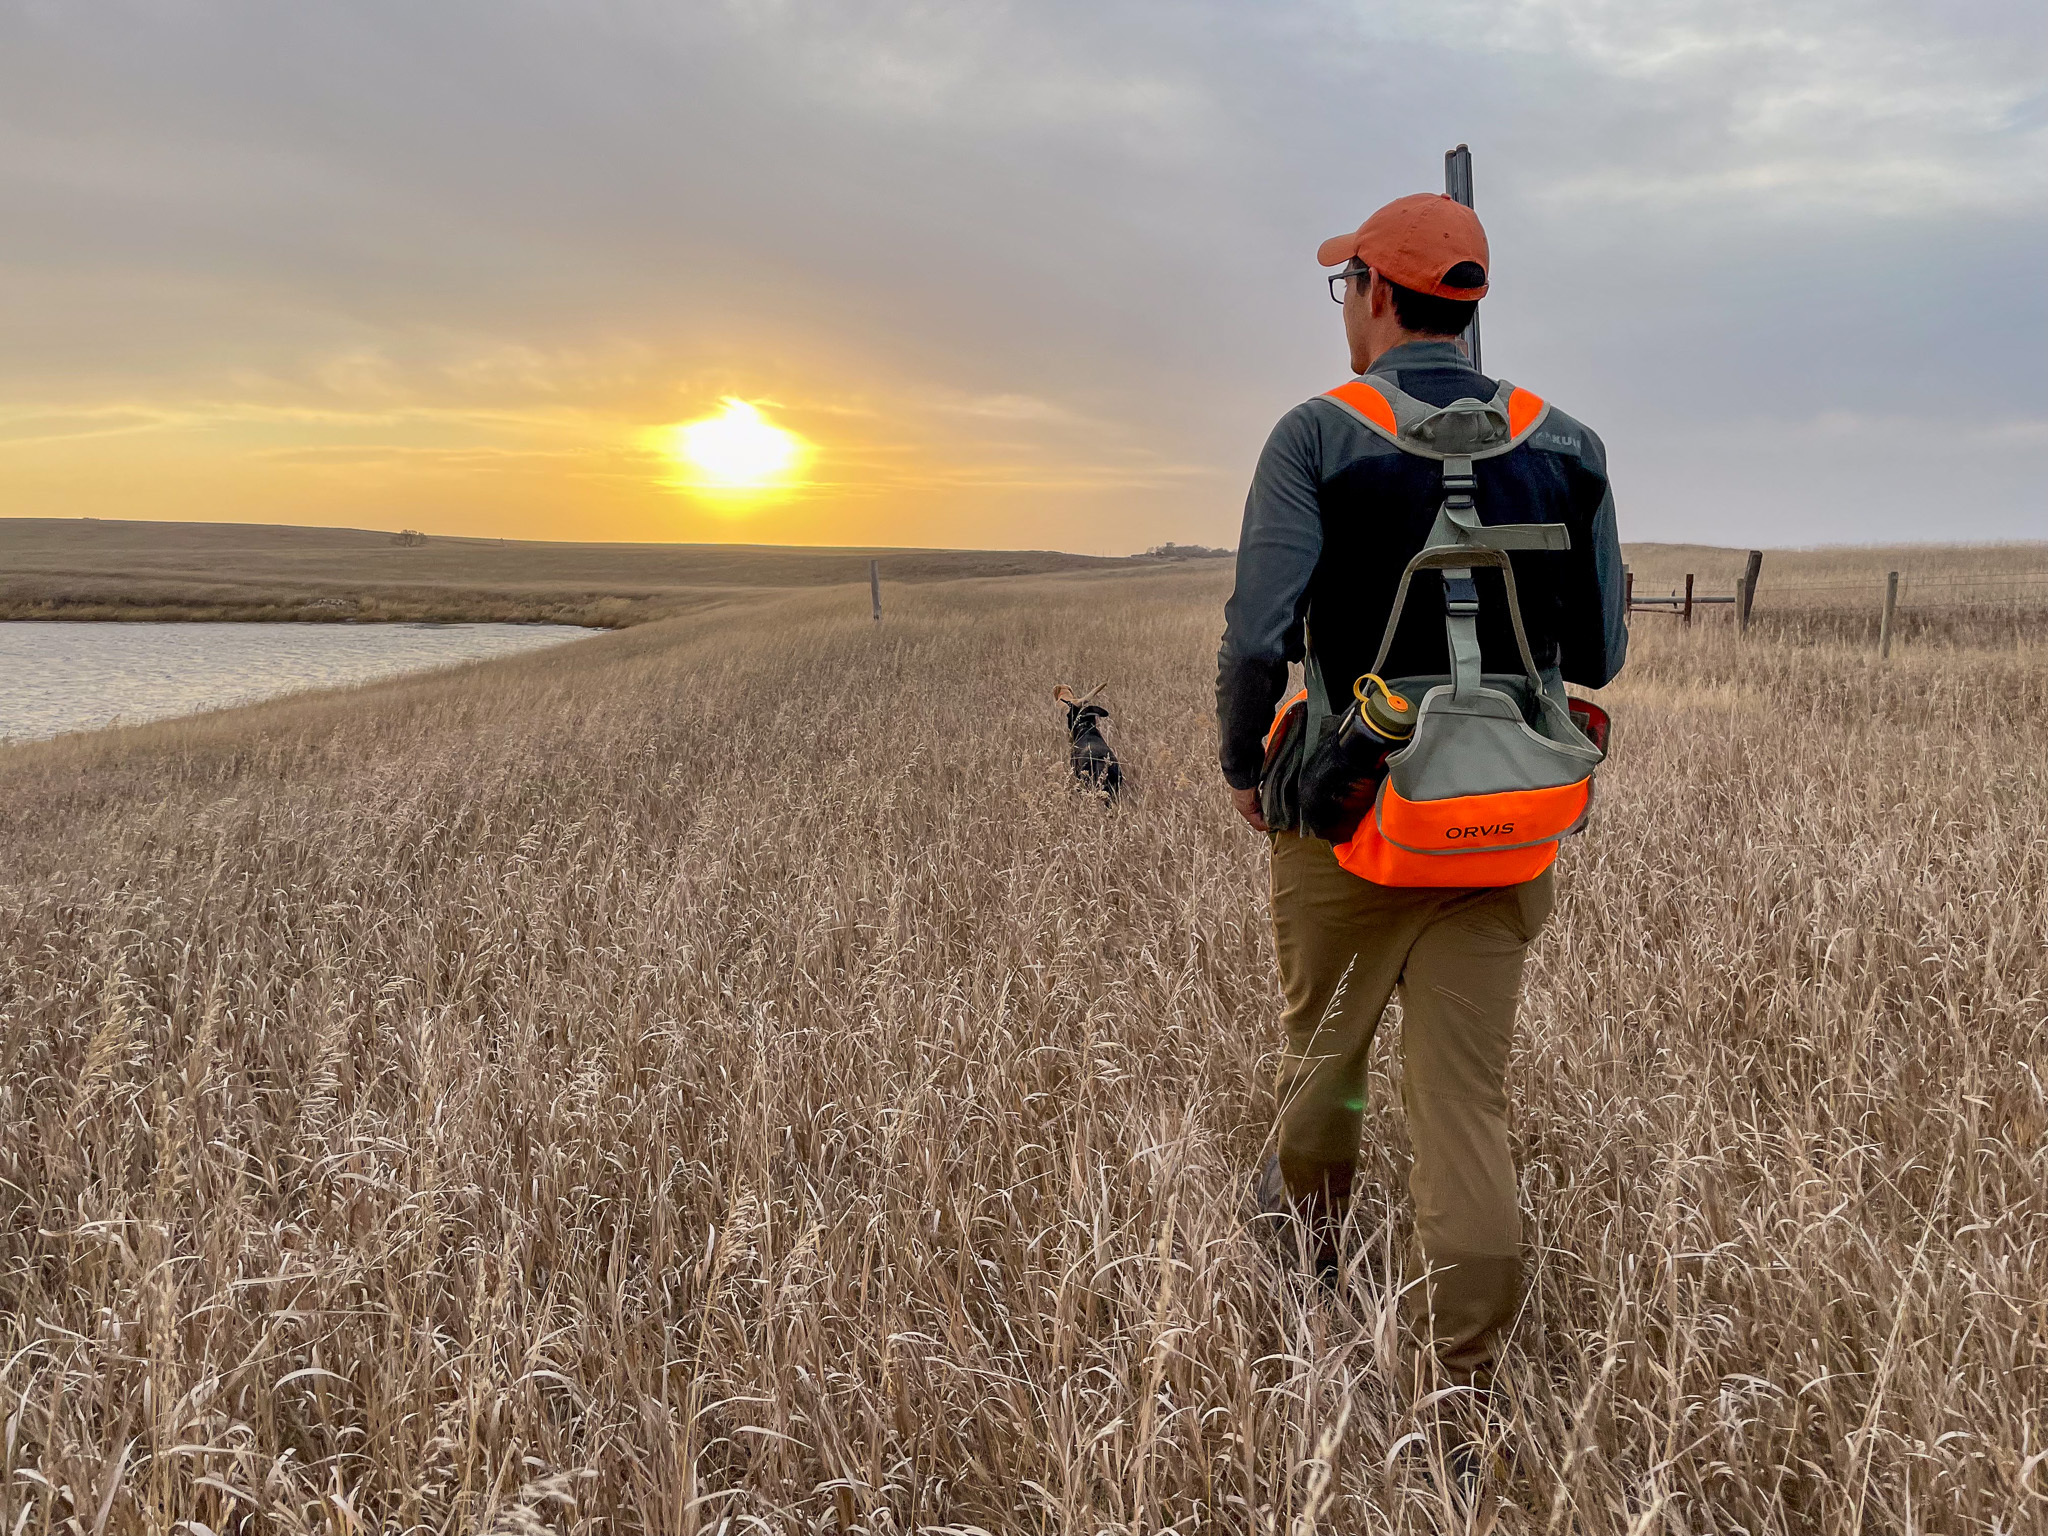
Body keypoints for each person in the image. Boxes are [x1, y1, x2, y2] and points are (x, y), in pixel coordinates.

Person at [1216, 193, 1627, 1387]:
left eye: (1344, 281)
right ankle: (1464, 1383)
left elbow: (1255, 641)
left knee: (1323, 1067)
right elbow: (1595, 653)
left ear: (1378, 295)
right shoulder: (1571, 446)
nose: (1342, 303)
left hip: (1348, 819)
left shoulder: (1312, 434)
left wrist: (1250, 771)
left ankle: (1305, 1286)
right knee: (1465, 1108)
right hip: (1501, 825)